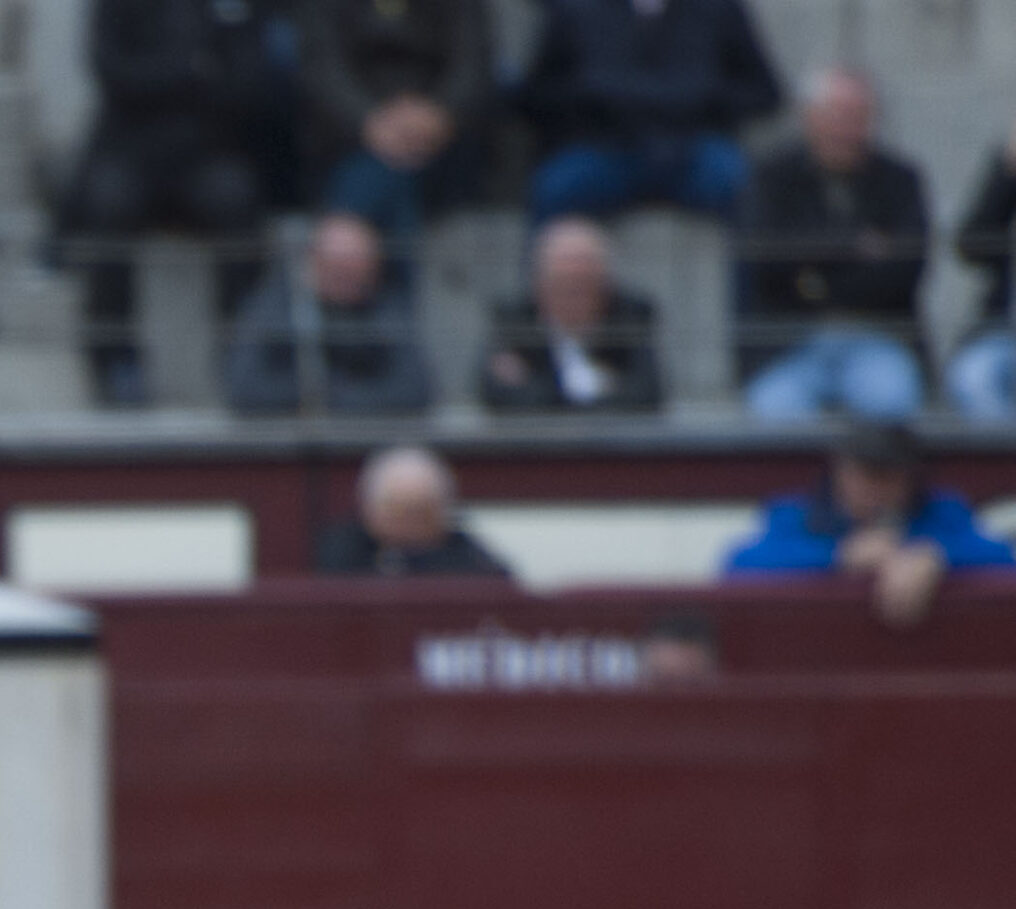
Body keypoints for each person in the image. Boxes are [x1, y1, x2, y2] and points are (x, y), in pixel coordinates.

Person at [52, 0, 296, 407]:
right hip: (130, 150)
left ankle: (240, 349)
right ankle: (115, 358)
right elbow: (111, 71)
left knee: (238, 203)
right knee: (108, 209)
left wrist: (170, 79)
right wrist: (190, 70)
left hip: (206, 150)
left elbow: (248, 79)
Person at [738, 68, 929, 421]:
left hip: (877, 338)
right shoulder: (771, 177)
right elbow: (765, 262)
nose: (846, 130)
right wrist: (854, 245)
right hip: (790, 344)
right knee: (776, 416)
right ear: (809, 117)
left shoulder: (901, 180)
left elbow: (903, 273)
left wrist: (811, 277)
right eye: (836, 115)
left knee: (892, 405)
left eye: (858, 117)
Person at [722, 420, 1014, 629]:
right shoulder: (797, 514)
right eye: (864, 476)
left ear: (910, 479)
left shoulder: (942, 513)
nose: (874, 490)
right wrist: (837, 556)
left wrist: (937, 556)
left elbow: (1002, 559)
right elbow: (740, 565)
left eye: (888, 478)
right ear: (840, 473)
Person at [515, 0, 782, 225]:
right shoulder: (576, 8)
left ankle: (756, 275)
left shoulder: (718, 7)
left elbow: (765, 92)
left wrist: (705, 99)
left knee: (744, 189)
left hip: (693, 149)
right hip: (604, 150)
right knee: (555, 189)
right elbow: (538, 95)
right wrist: (593, 100)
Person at [298, 0, 495, 242]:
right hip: (348, 139)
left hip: (444, 140)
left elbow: (473, 63)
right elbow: (322, 66)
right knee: (378, 176)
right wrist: (369, 121)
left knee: (390, 178)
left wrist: (438, 115)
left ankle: (350, 241)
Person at [222, 211, 431, 416]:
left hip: (365, 428)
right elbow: (244, 389)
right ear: (312, 264)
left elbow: (415, 389)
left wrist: (341, 396)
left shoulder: (383, 303)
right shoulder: (273, 307)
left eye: (360, 275)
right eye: (340, 273)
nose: (351, 285)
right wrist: (317, 391)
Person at [479, 215, 666, 413]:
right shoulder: (514, 323)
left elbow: (646, 395)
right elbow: (499, 396)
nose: (572, 296)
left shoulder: (630, 319)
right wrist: (600, 390)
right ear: (538, 286)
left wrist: (550, 394)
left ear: (606, 287)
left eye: (583, 285)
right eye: (562, 285)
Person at [314, 445, 514, 576]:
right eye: (398, 513)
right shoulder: (342, 553)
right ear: (371, 510)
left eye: (420, 513)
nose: (409, 525)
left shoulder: (469, 560)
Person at [946, 121, 1016, 420]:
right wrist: (1007, 176)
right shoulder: (1007, 174)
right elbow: (970, 247)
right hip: (1004, 333)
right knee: (974, 378)